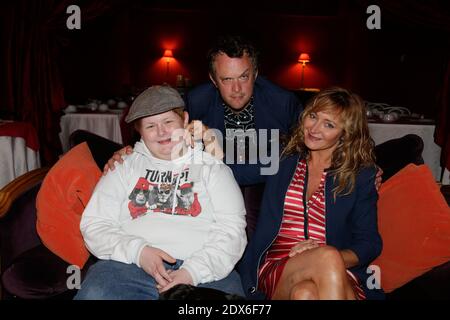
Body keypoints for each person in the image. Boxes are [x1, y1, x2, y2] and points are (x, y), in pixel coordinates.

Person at [105, 36, 303, 238]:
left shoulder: (282, 103)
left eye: (244, 77)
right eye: (227, 79)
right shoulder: (196, 100)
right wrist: (132, 151)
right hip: (213, 184)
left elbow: (303, 150)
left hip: (266, 182)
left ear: (256, 74)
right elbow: (164, 130)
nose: (237, 89)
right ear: (213, 79)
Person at [74, 85, 247, 300]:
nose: (162, 131)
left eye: (168, 122)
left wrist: (191, 272)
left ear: (184, 120)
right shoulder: (122, 167)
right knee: (94, 294)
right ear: (139, 131)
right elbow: (95, 225)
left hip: (206, 268)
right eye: (150, 126)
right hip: (129, 268)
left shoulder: (212, 168)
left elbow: (232, 231)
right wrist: (139, 252)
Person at [237, 87, 383, 300]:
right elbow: (235, 170)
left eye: (329, 124)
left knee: (305, 294)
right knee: (326, 258)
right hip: (279, 264)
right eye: (313, 116)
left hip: (336, 270)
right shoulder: (282, 157)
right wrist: (199, 143)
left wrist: (325, 257)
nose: (314, 129)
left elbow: (369, 243)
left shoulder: (360, 176)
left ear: (346, 134)